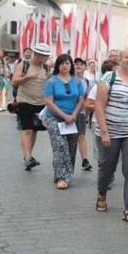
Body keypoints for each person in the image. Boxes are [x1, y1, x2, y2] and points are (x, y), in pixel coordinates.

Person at [94, 47, 128, 224]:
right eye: (127, 57)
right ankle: (102, 193)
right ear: (120, 59)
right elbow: (99, 106)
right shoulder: (109, 77)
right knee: (107, 168)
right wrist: (104, 132)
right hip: (109, 130)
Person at [41, 54, 85, 189]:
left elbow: (81, 100)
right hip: (54, 117)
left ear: (71, 65)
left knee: (71, 147)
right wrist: (64, 116)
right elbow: (48, 102)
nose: (64, 66)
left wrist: (73, 115)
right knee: (60, 146)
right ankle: (61, 177)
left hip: (72, 118)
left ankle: (67, 174)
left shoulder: (77, 82)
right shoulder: (51, 82)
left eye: (67, 63)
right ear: (57, 66)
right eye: (62, 63)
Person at [11, 43, 51, 170]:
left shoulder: (47, 67)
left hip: (41, 103)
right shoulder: (24, 65)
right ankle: (27, 157)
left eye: (47, 56)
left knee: (34, 130)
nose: (46, 58)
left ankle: (28, 155)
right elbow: (14, 82)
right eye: (45, 56)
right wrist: (27, 77)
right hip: (25, 101)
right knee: (27, 129)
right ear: (37, 55)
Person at [72, 58, 93, 171]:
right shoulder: (69, 80)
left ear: (85, 67)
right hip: (68, 113)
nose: (79, 66)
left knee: (81, 136)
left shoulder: (87, 82)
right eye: (76, 64)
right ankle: (68, 159)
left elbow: (89, 98)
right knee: (69, 137)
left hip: (81, 113)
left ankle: (85, 160)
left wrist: (88, 113)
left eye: (81, 64)